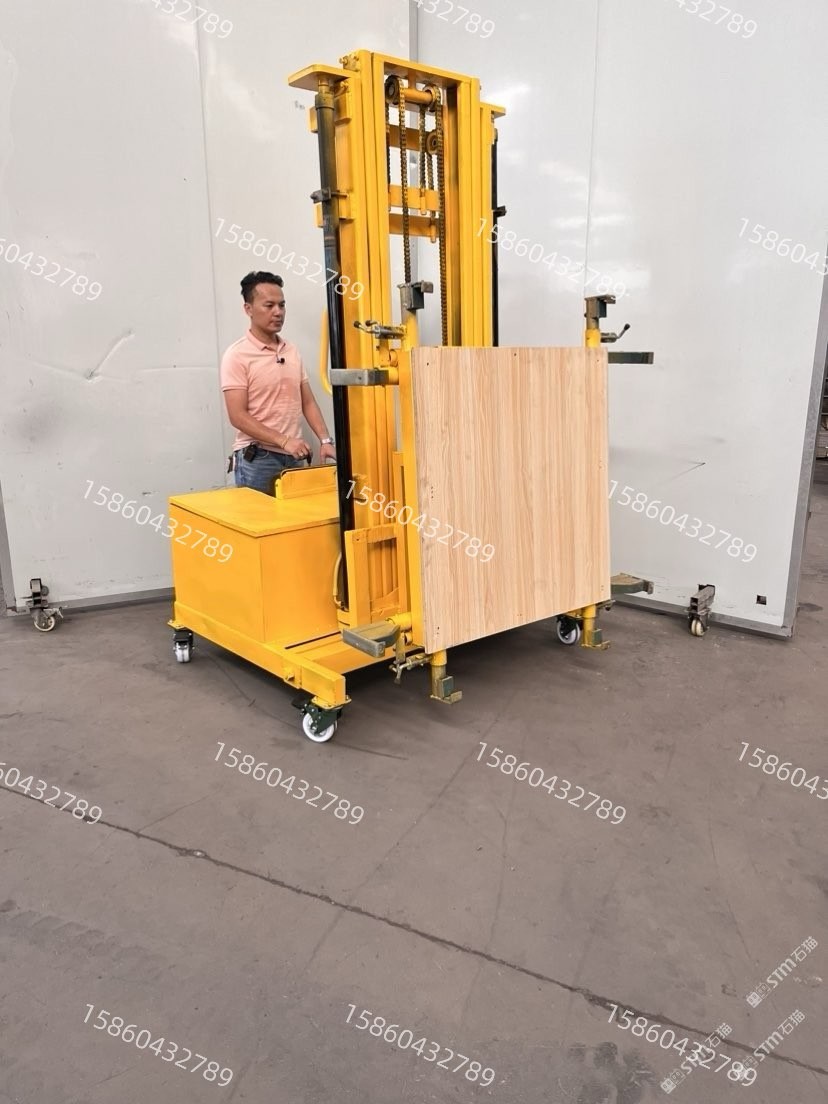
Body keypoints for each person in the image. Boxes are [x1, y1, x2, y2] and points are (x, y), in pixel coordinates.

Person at [220, 271, 335, 494]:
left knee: (297, 516)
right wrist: (283, 441)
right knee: (258, 517)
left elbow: (308, 402)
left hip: (294, 456)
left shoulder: (291, 351)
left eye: (282, 305)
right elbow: (237, 416)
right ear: (248, 309)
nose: (278, 312)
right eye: (269, 305)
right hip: (258, 460)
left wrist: (325, 440)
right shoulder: (237, 355)